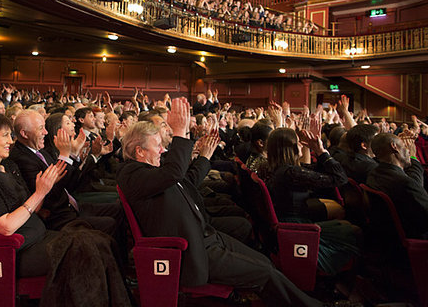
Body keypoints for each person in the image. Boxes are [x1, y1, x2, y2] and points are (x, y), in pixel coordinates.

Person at [117, 98, 322, 307]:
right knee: (266, 273)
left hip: (206, 236)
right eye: (157, 146)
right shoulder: (132, 174)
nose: (162, 150)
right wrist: (179, 132)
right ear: (139, 151)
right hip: (193, 251)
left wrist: (204, 157)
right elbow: (174, 172)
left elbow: (185, 182)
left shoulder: (152, 173)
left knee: (265, 262)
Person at [0, 112, 65, 277]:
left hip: (40, 234)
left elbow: (32, 207)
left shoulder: (9, 165)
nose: (11, 141)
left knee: (95, 243)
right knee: (85, 252)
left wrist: (44, 188)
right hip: (20, 250)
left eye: (10, 135)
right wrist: (39, 193)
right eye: (5, 135)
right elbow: (6, 227)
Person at [267, 128, 359, 275]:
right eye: (298, 143)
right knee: (355, 231)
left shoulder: (281, 169)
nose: (300, 146)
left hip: (289, 220)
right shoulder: (291, 173)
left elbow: (315, 171)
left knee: (346, 225)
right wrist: (322, 152)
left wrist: (317, 150)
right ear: (290, 148)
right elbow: (340, 179)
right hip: (296, 227)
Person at [366, 132, 428, 239]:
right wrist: (413, 156)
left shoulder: (374, 173)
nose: (408, 150)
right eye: (404, 146)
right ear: (394, 147)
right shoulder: (405, 183)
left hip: (389, 235)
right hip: (416, 235)